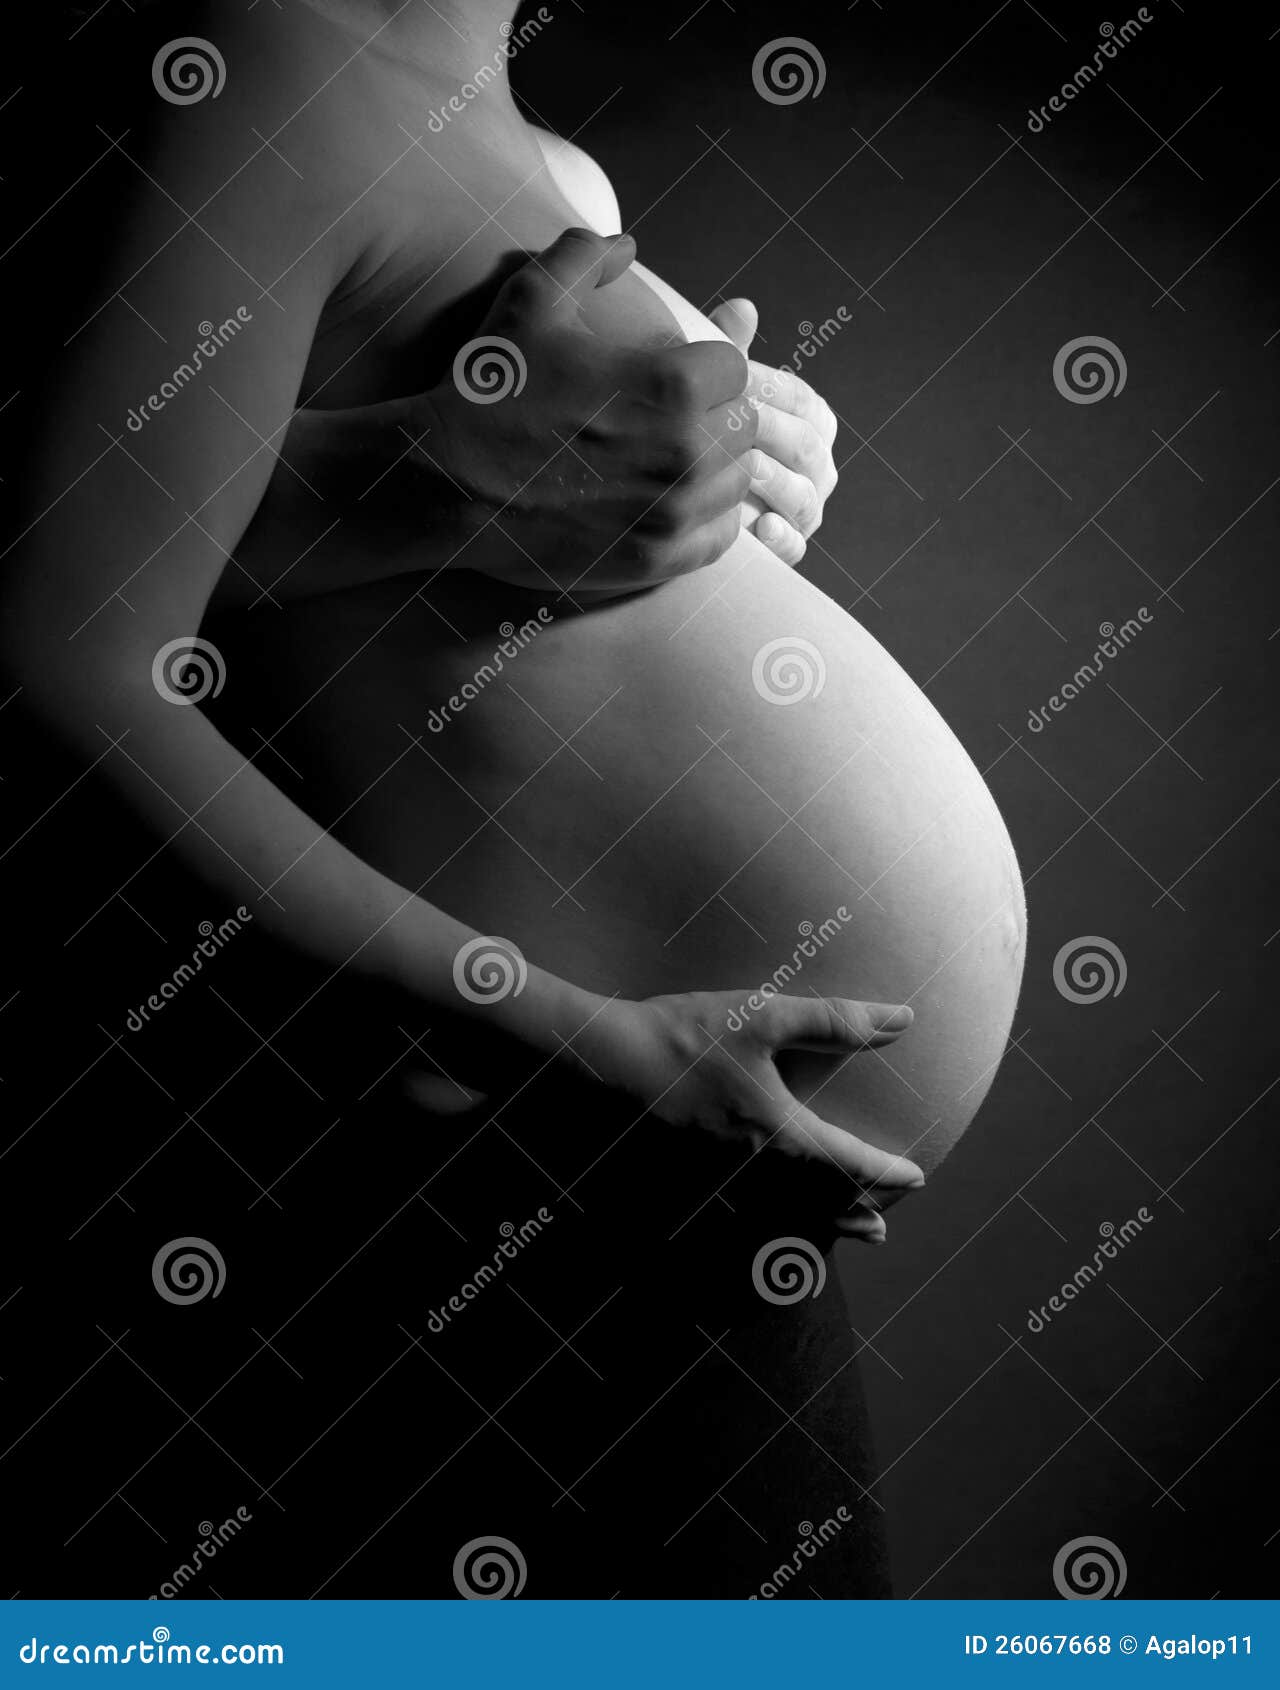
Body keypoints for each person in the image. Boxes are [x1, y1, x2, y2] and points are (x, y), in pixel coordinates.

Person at [1, 0, 1025, 1594]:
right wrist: (557, 1036)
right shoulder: (276, 57)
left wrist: (743, 469)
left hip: (681, 1172)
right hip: (524, 1152)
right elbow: (71, 663)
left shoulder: (556, 170)